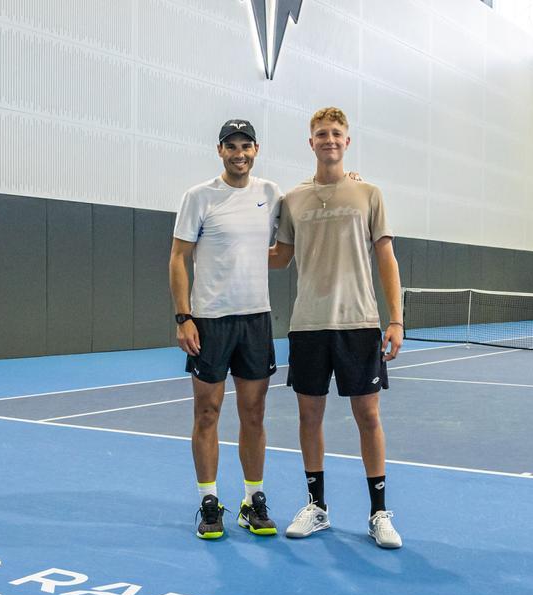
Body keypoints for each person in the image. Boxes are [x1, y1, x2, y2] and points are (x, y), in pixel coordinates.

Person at [268, 107, 405, 549]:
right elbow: (279, 257)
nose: (329, 140)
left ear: (347, 142)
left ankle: (379, 512)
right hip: (308, 325)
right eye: (321, 134)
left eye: (336, 134)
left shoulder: (369, 194)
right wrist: (224, 243)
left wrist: (396, 319)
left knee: (368, 416)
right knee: (310, 416)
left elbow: (386, 257)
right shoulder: (292, 200)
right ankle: (317, 507)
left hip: (359, 323)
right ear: (311, 143)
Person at [169, 119, 281, 540]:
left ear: (256, 150)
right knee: (208, 413)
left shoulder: (271, 195)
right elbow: (178, 257)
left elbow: (298, 226)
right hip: (210, 322)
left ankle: (253, 501)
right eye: (231, 146)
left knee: (254, 413)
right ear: (220, 151)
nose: (239, 153)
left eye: (246, 145)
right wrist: (184, 316)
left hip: (256, 318)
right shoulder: (199, 197)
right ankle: (209, 501)